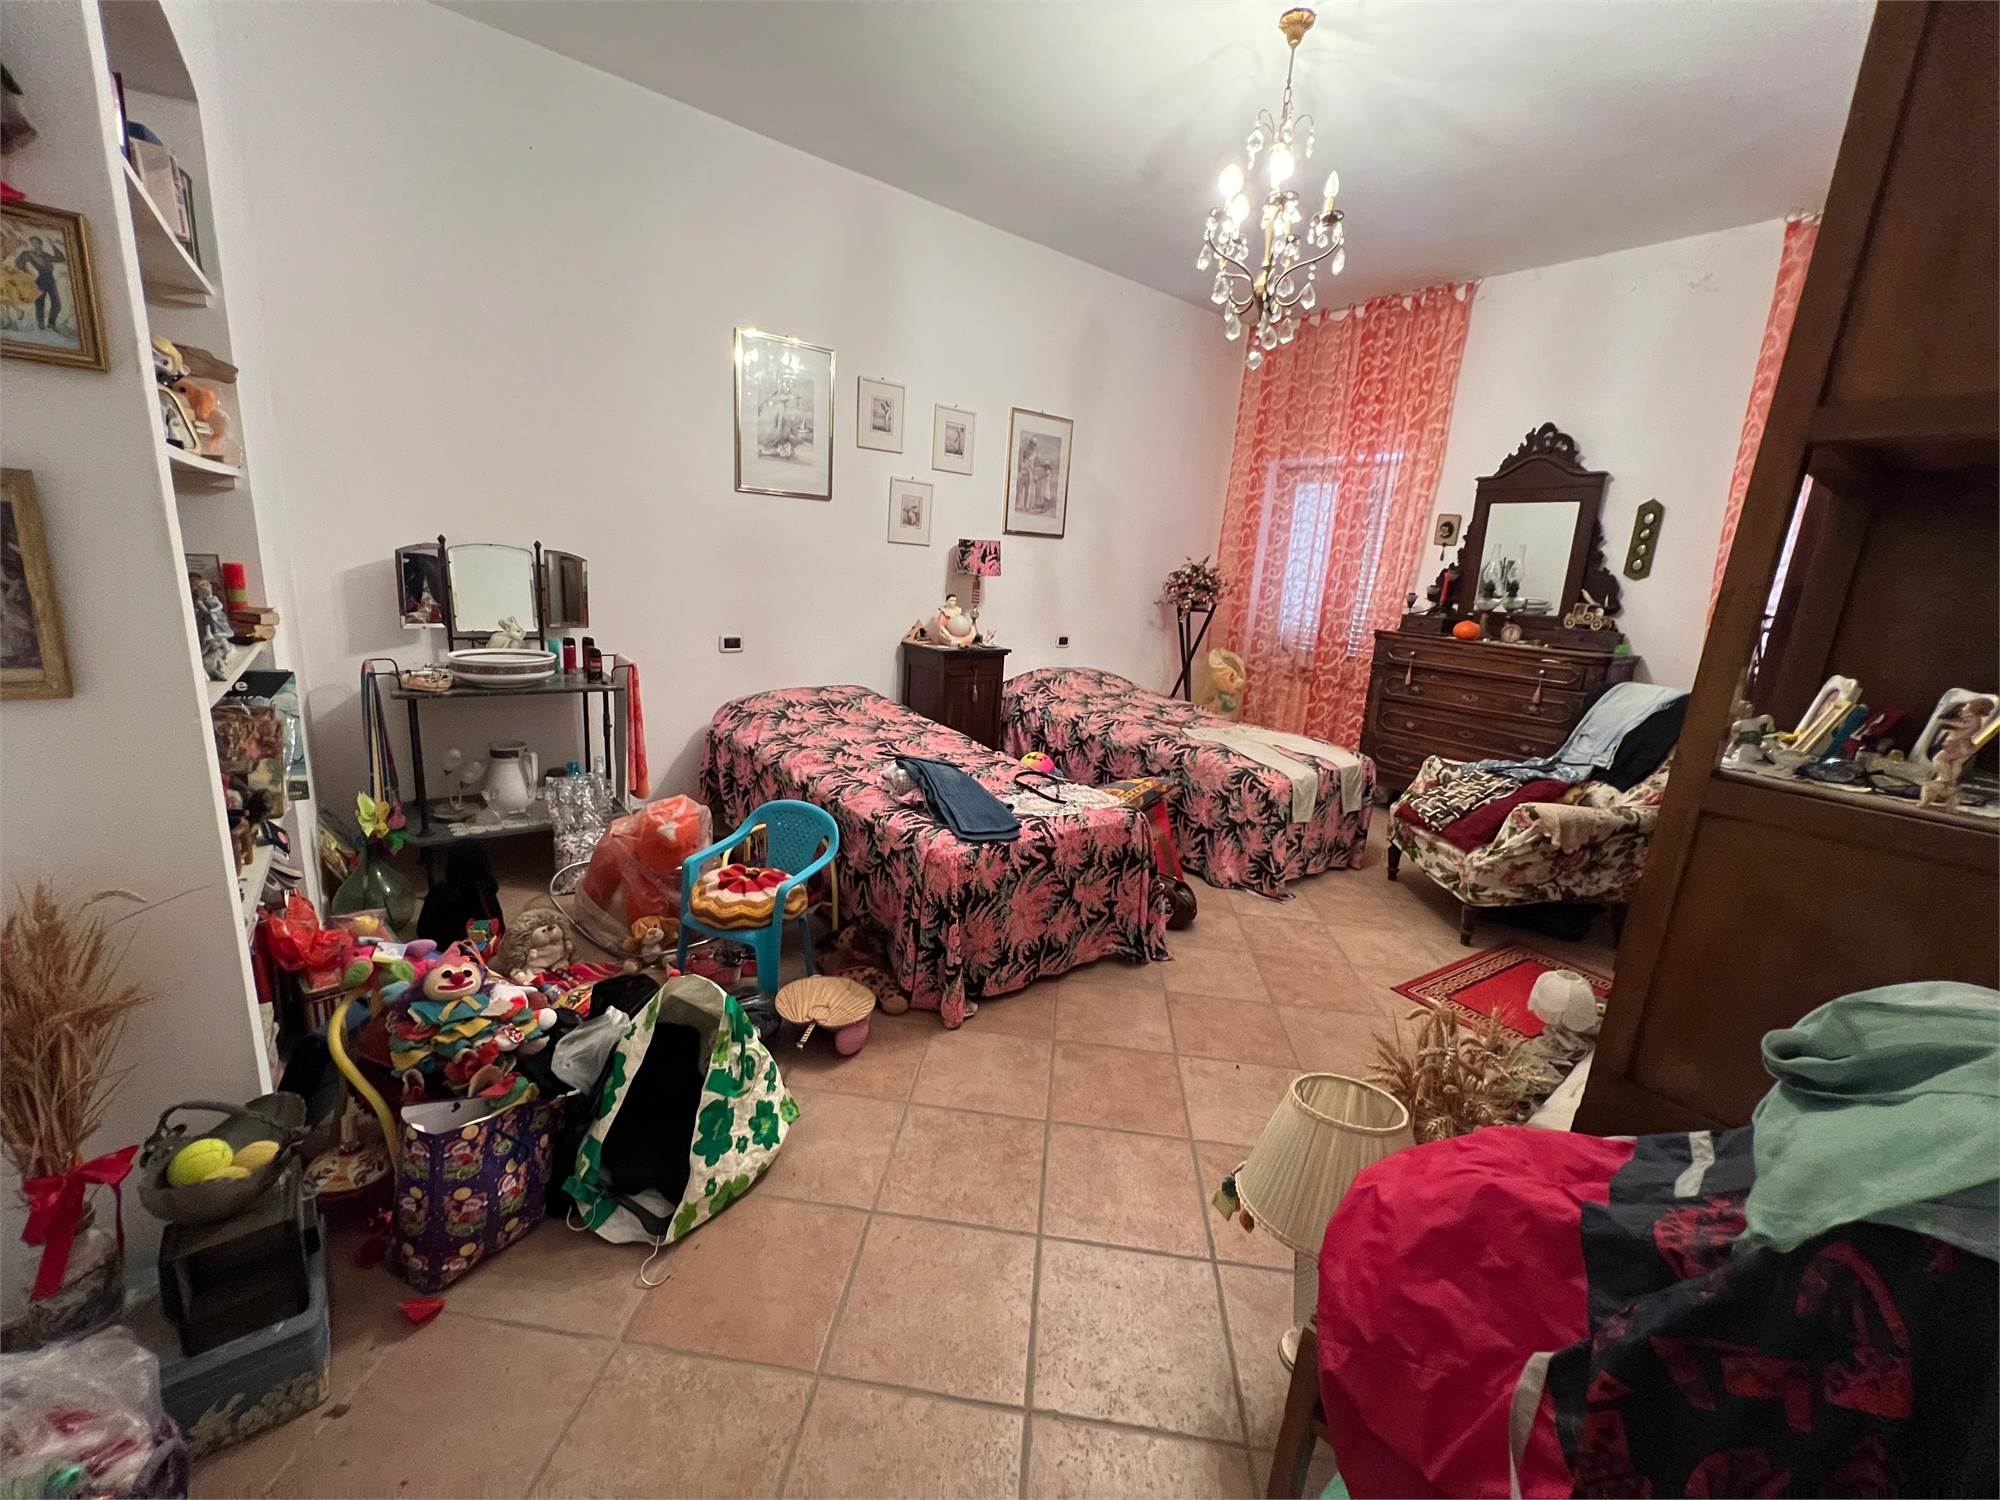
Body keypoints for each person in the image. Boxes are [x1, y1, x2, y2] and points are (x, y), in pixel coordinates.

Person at [12, 234, 65, 331]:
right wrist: (26, 272)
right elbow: (18, 262)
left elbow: (61, 259)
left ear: (41, 244)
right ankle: (41, 325)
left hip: (50, 280)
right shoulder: (28, 254)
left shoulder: (45, 255)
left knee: (57, 304)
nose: (34, 245)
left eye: (36, 243)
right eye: (32, 243)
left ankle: (51, 323)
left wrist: (53, 245)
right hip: (40, 280)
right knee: (40, 303)